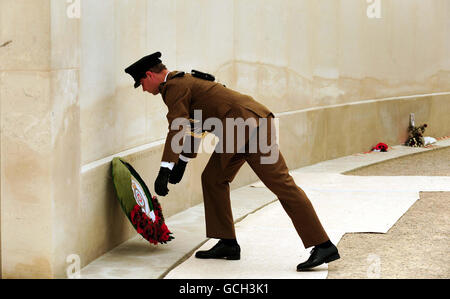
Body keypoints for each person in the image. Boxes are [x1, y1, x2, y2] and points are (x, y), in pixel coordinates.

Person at [125, 52, 340, 271]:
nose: (143, 89)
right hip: (238, 129)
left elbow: (178, 125)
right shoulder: (183, 83)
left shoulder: (173, 87)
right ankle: (227, 242)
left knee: (281, 184)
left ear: (150, 75)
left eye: (141, 82)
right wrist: (182, 161)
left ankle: (323, 245)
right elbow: (195, 125)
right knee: (212, 179)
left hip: (248, 127)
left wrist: (165, 169)